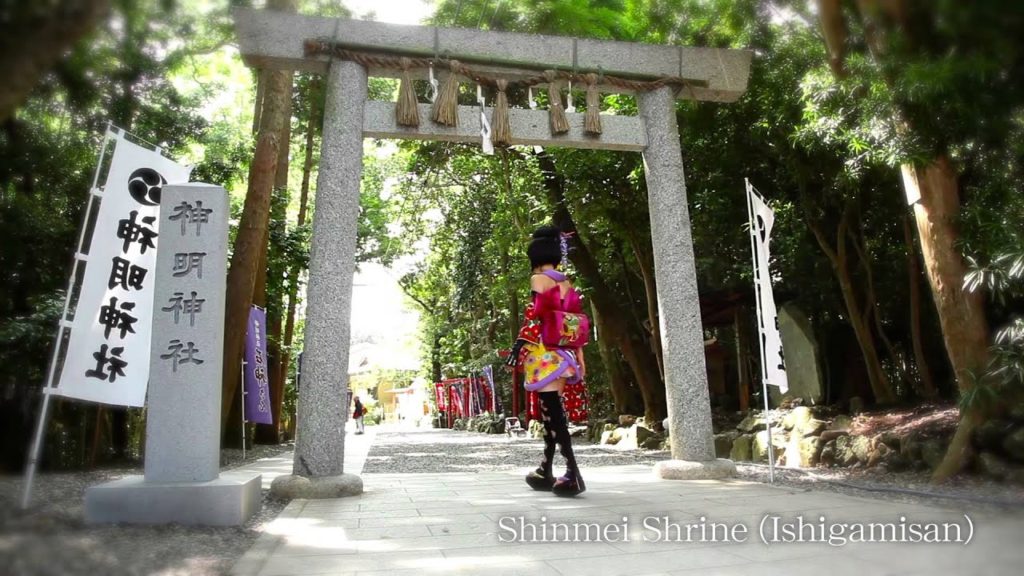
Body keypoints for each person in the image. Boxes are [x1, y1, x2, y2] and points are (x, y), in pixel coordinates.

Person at [510, 225, 587, 497]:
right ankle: (546, 469)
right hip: (565, 353)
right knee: (551, 414)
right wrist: (579, 356)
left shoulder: (538, 279)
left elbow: (535, 316)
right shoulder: (566, 282)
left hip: (545, 354)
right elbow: (574, 322)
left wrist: (519, 346)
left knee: (553, 415)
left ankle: (572, 473)